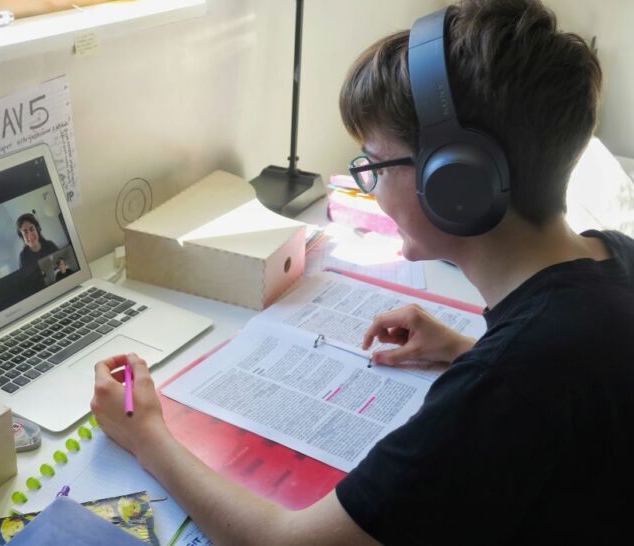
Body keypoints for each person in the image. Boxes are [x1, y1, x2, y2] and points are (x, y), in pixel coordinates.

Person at [89, 1, 634, 544]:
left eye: (373, 164)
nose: (368, 189)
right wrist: (466, 350)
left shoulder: (505, 388)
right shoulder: (615, 260)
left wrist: (146, 434)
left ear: (456, 183)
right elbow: (578, 392)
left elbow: (287, 544)